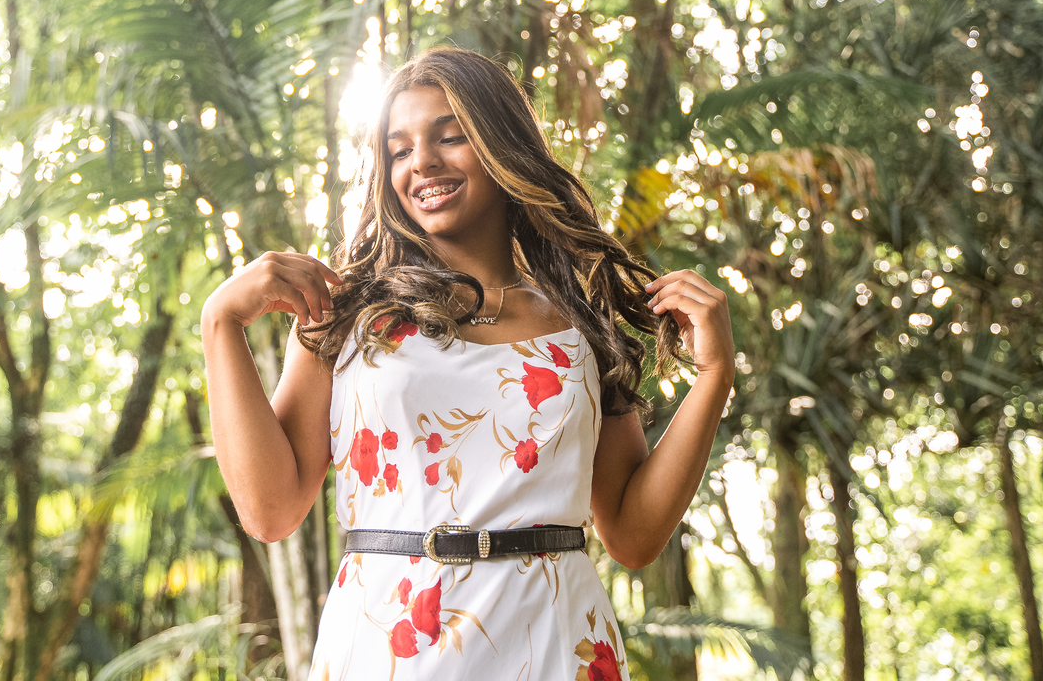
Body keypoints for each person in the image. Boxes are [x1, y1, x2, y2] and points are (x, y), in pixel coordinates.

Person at [201, 47, 735, 679]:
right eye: (399, 150)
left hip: (555, 644)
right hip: (388, 649)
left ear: (503, 145)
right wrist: (220, 324)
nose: (421, 161)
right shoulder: (345, 315)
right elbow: (269, 513)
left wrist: (713, 377)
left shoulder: (582, 326)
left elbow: (632, 536)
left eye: (449, 137)